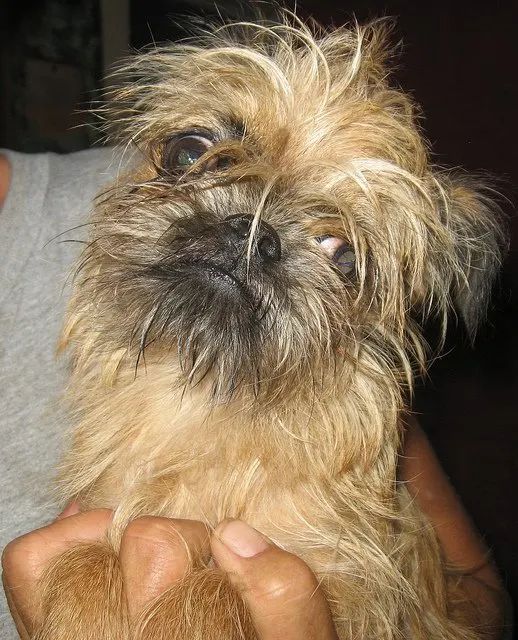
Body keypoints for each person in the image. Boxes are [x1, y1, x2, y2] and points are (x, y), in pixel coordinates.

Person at [0, 151, 510, 638]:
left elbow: (477, 594)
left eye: (342, 253)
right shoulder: (125, 200)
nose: (248, 228)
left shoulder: (346, 413)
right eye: (193, 156)